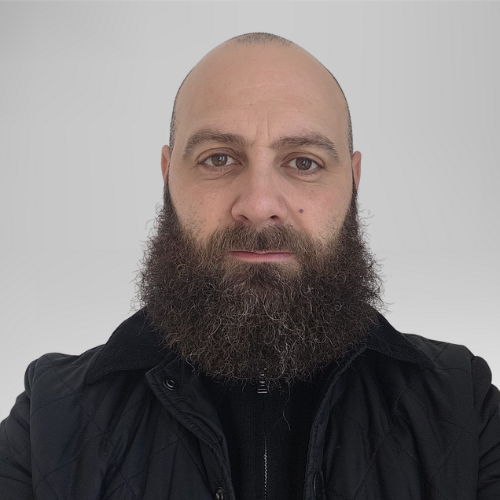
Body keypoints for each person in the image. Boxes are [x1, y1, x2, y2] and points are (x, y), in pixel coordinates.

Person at [1, 32, 498, 500]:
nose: (259, 205)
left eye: (303, 162)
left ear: (353, 180)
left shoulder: (462, 406)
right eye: (218, 159)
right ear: (168, 175)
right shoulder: (52, 418)